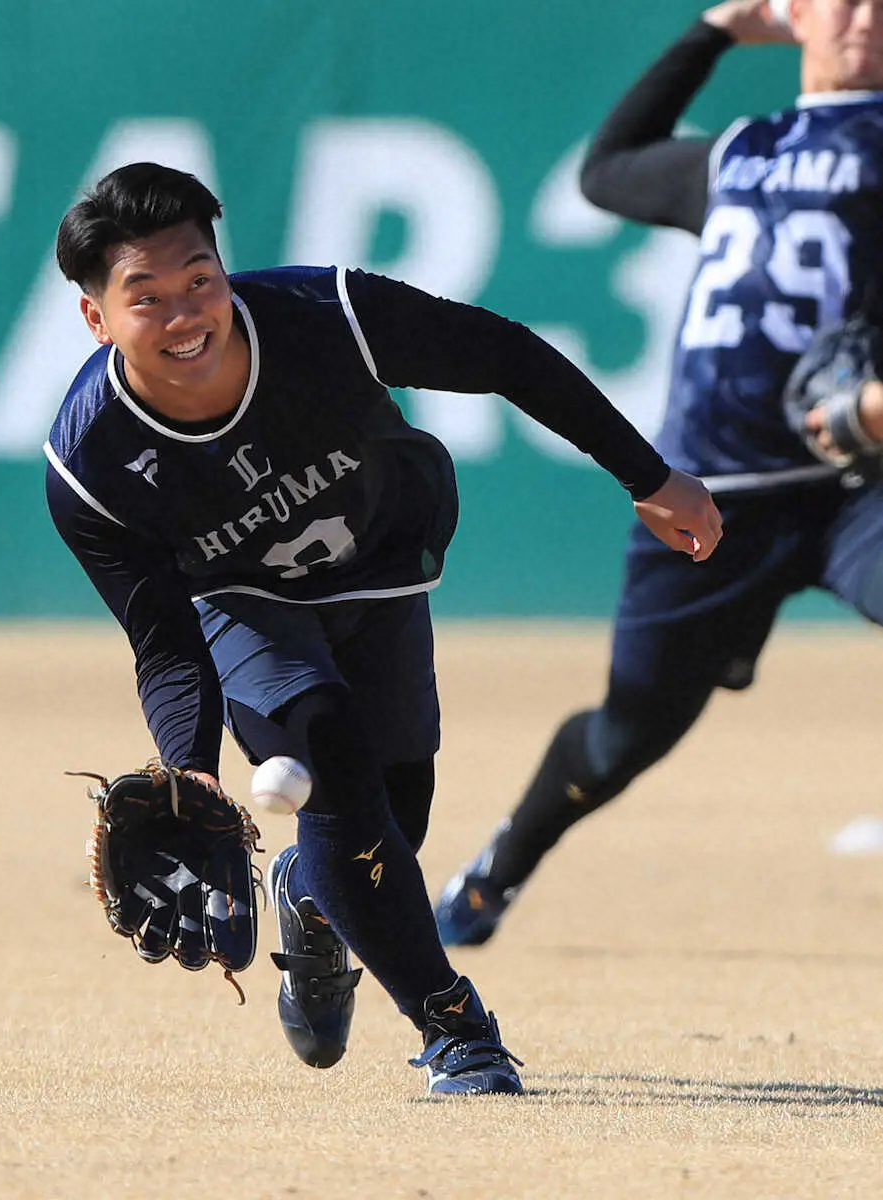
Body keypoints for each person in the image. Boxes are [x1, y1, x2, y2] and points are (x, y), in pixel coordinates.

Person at [44, 161, 722, 1095]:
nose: (184, 314)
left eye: (199, 279)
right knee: (326, 745)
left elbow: (503, 354)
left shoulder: (326, 318)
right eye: (145, 298)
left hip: (380, 567)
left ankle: (315, 900)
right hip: (243, 607)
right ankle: (457, 1030)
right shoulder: (92, 465)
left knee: (395, 818)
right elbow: (165, 644)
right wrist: (188, 769)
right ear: (95, 318)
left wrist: (647, 476)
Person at [437, 0, 883, 948]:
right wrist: (713, 31)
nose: (865, 15)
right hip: (716, 499)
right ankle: (497, 871)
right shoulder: (737, 154)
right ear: (795, 12)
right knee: (622, 736)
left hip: (858, 489)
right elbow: (606, 170)